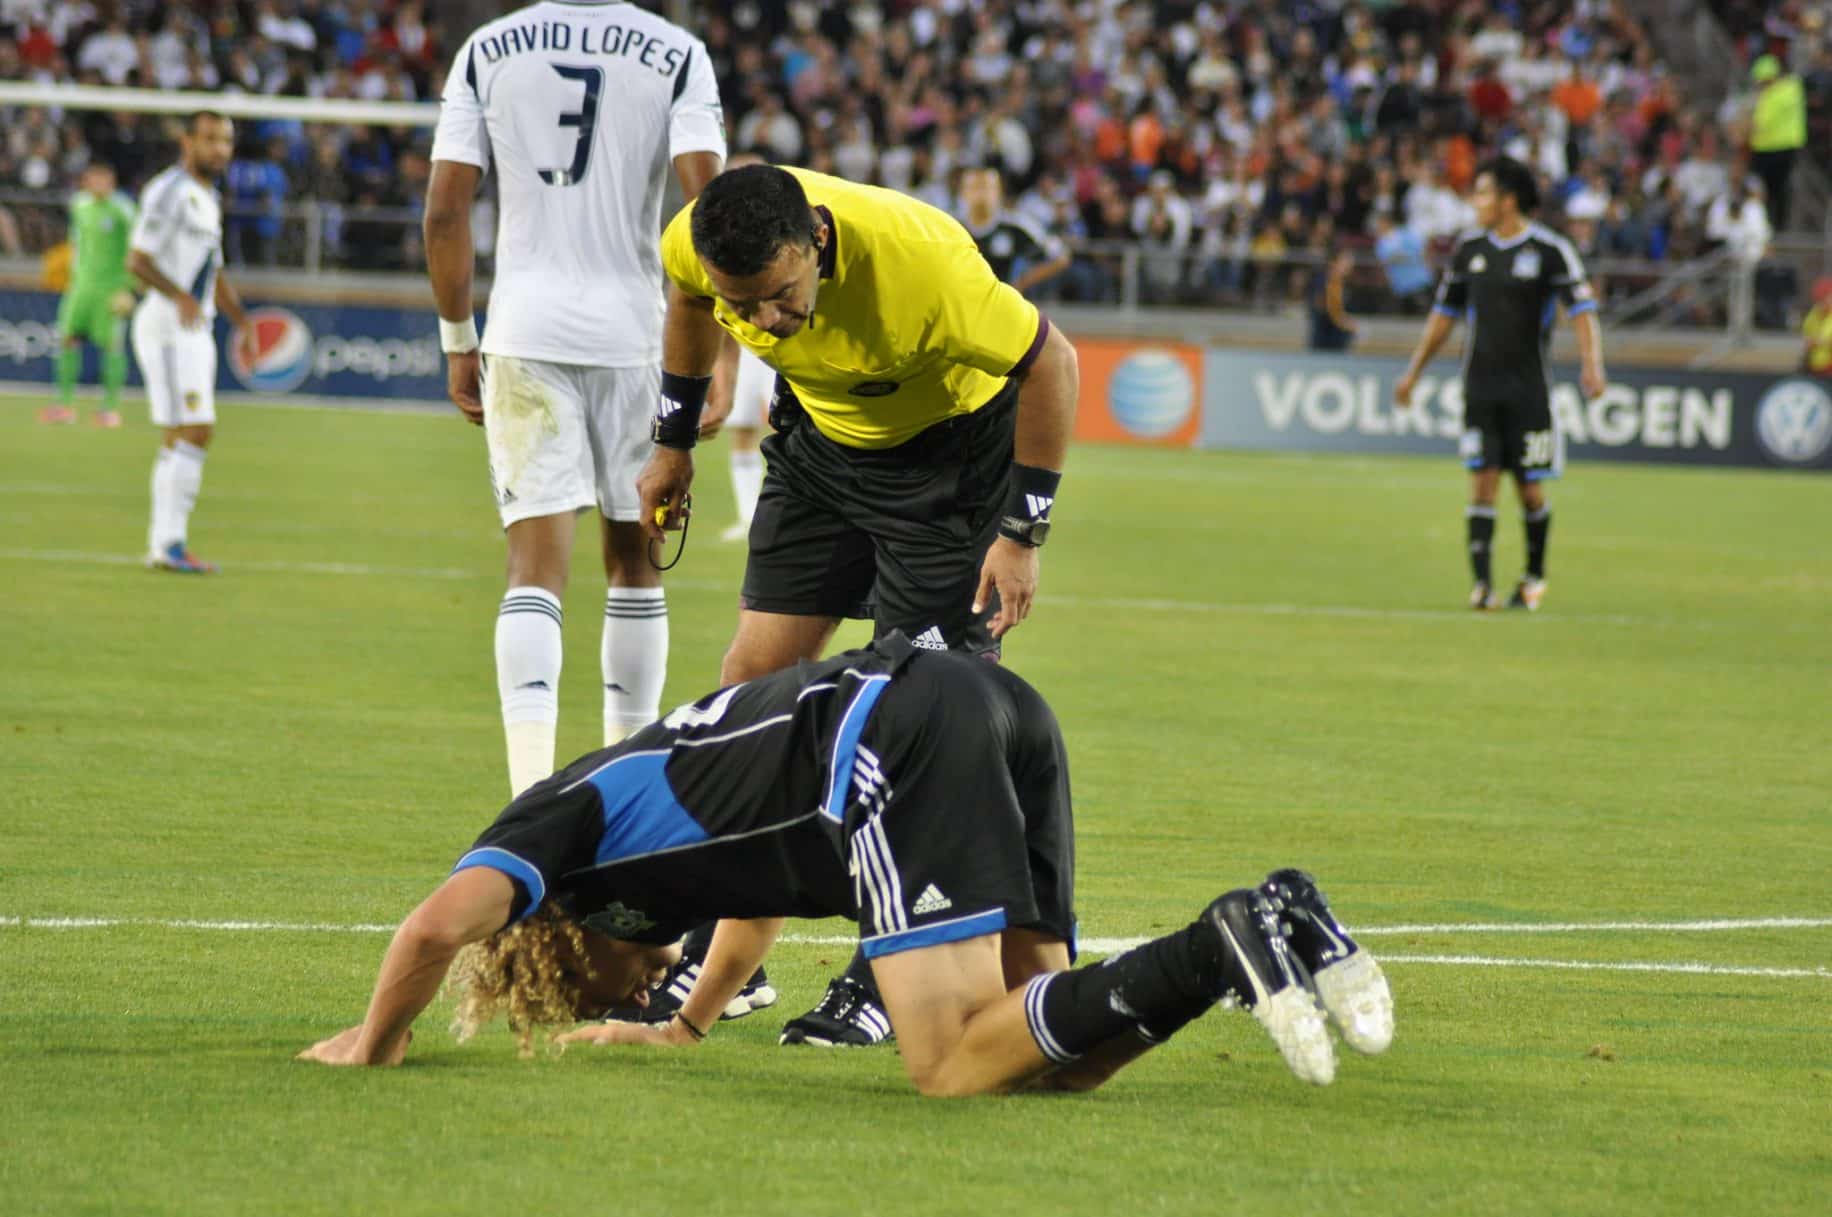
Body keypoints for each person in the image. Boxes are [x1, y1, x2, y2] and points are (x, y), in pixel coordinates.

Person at [298, 638, 1395, 1095]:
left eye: (606, 983)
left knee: (947, 1063)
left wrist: (374, 1040)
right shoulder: (681, 875)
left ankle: (1216, 937)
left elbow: (438, 923)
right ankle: (1258, 928)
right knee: (1042, 1056)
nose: (640, 979)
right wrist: (684, 1024)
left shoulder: (564, 823)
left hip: (892, 732)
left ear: (556, 944)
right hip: (993, 705)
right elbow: (749, 903)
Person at [634, 164, 1080, 1047]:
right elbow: (688, 300)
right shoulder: (697, 241)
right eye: (746, 304)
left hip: (951, 463)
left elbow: (1053, 364)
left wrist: (1023, 532)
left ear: (820, 243)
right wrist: (674, 443)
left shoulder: (924, 270)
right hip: (822, 447)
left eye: (779, 296)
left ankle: (886, 970)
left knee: (919, 713)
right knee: (750, 684)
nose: (762, 320)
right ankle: (731, 946)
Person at [422, 0, 728, 798]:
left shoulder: (488, 48)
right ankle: (624, 784)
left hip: (525, 332)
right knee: (638, 561)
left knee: (533, 567)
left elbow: (444, 211)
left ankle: (530, 796)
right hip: (638, 340)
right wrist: (717, 349)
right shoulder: (677, 52)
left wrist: (460, 340)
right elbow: (713, 211)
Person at [1394, 156, 1607, 612]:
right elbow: (1442, 318)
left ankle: (1533, 579)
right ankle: (1483, 587)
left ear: (1508, 201)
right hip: (1480, 389)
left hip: (1528, 391)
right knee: (1482, 482)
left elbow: (1582, 311)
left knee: (1529, 489)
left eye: (1484, 192)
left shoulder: (1550, 250)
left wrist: (1592, 365)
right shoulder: (1469, 250)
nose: (1476, 201)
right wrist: (1413, 371)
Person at [127, 111, 253, 575]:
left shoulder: (207, 196)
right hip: (168, 324)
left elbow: (213, 270)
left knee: (184, 432)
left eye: (226, 141)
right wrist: (178, 295)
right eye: (211, 139)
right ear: (188, 142)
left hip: (194, 325)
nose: (220, 149)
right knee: (196, 428)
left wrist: (242, 321)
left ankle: (166, 545)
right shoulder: (169, 191)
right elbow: (137, 260)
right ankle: (169, 545)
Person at [43, 163, 135, 429]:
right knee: (68, 340)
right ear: (85, 181)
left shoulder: (123, 210)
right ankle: (64, 406)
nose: (96, 184)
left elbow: (136, 248)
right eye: (92, 179)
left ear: (112, 181)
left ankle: (110, 410)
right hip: (80, 287)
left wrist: (128, 287)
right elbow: (78, 243)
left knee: (112, 346)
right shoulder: (79, 205)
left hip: (110, 290)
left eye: (102, 179)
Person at [960, 166, 1071, 297]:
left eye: (987, 187)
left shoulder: (1016, 225)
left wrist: (1023, 282)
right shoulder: (951, 227)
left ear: (999, 192)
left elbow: (1060, 256)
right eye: (974, 187)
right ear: (963, 193)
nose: (981, 194)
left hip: (1000, 306)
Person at [1747, 54, 1806, 230]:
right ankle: (1777, 226)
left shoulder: (1771, 95)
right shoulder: (1793, 88)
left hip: (1768, 149)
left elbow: (1760, 123)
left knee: (1764, 190)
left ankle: (1767, 227)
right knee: (1780, 191)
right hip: (1788, 146)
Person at [1307, 247, 1358, 352]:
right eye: (1345, 262)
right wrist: (1341, 320)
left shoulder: (1345, 284)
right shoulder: (1322, 281)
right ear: (1334, 263)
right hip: (1324, 338)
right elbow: (1320, 306)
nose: (1349, 266)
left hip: (1337, 337)